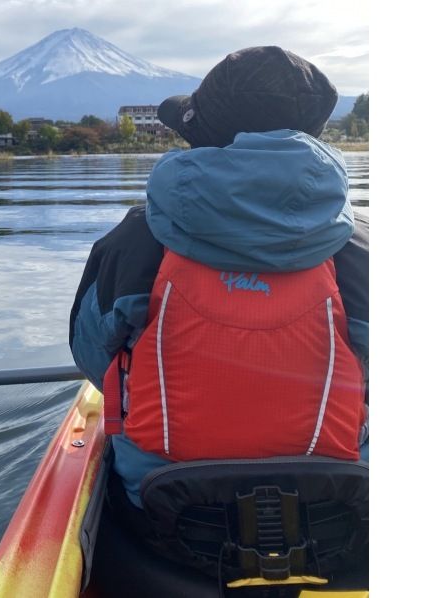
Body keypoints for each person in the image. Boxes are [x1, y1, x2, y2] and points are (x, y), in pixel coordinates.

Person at [68, 46, 369, 510]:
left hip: (167, 515)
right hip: (337, 512)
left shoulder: (135, 241)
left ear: (202, 138)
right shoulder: (362, 253)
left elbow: (92, 359)